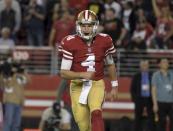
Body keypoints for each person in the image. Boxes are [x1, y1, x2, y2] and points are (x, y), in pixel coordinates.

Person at [59, 10, 118, 131]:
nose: (86, 29)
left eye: (89, 25)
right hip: (77, 85)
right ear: (78, 26)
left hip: (97, 83)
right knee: (84, 125)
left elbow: (110, 64)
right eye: (83, 25)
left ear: (95, 26)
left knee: (96, 112)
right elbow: (63, 72)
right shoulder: (69, 42)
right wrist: (82, 74)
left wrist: (114, 86)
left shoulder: (105, 40)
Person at [1, 57, 30, 131]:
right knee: (8, 122)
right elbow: (7, 84)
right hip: (9, 101)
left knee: (16, 124)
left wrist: (23, 71)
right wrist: (13, 72)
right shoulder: (5, 74)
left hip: (19, 102)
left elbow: (28, 81)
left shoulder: (20, 75)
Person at [130, 59, 155, 131]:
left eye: (146, 65)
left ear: (148, 66)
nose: (145, 66)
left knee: (151, 117)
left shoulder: (152, 75)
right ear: (140, 66)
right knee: (137, 118)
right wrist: (135, 100)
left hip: (149, 99)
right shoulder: (136, 76)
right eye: (143, 65)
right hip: (139, 99)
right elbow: (132, 89)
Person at [151, 58, 173, 131]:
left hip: (171, 102)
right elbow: (153, 90)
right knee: (161, 123)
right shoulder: (156, 75)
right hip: (160, 102)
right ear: (159, 64)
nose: (166, 63)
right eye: (164, 62)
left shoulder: (172, 74)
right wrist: (155, 104)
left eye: (167, 62)